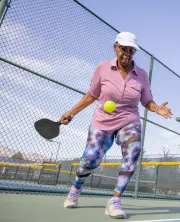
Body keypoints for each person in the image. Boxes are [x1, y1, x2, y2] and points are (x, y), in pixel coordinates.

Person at [60, 31, 173, 219]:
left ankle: (114, 201)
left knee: (133, 151)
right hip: (102, 120)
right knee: (90, 159)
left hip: (129, 119)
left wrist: (156, 109)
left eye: (131, 51)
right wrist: (71, 113)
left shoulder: (142, 75)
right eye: (123, 49)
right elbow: (91, 95)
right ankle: (75, 189)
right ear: (115, 47)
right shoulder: (102, 68)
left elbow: (147, 101)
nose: (127, 54)